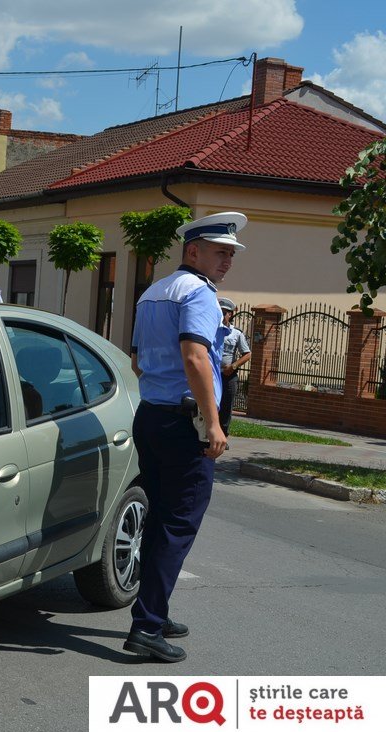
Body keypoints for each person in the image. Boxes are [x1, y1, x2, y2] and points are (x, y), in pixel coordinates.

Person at [125, 211, 244, 663]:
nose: (227, 259)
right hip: (184, 420)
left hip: (152, 415)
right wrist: (213, 423)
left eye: (231, 253)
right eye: (219, 251)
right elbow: (196, 358)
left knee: (161, 518)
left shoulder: (153, 291)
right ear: (192, 250)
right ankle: (147, 626)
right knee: (179, 524)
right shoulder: (199, 294)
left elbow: (138, 360)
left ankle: (155, 609)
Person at [218, 297, 251, 436]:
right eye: (219, 311)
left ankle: (223, 435)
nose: (221, 314)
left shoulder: (236, 333)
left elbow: (247, 354)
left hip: (228, 375)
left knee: (226, 407)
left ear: (230, 314)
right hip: (212, 373)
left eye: (224, 312)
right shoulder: (210, 329)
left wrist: (233, 366)